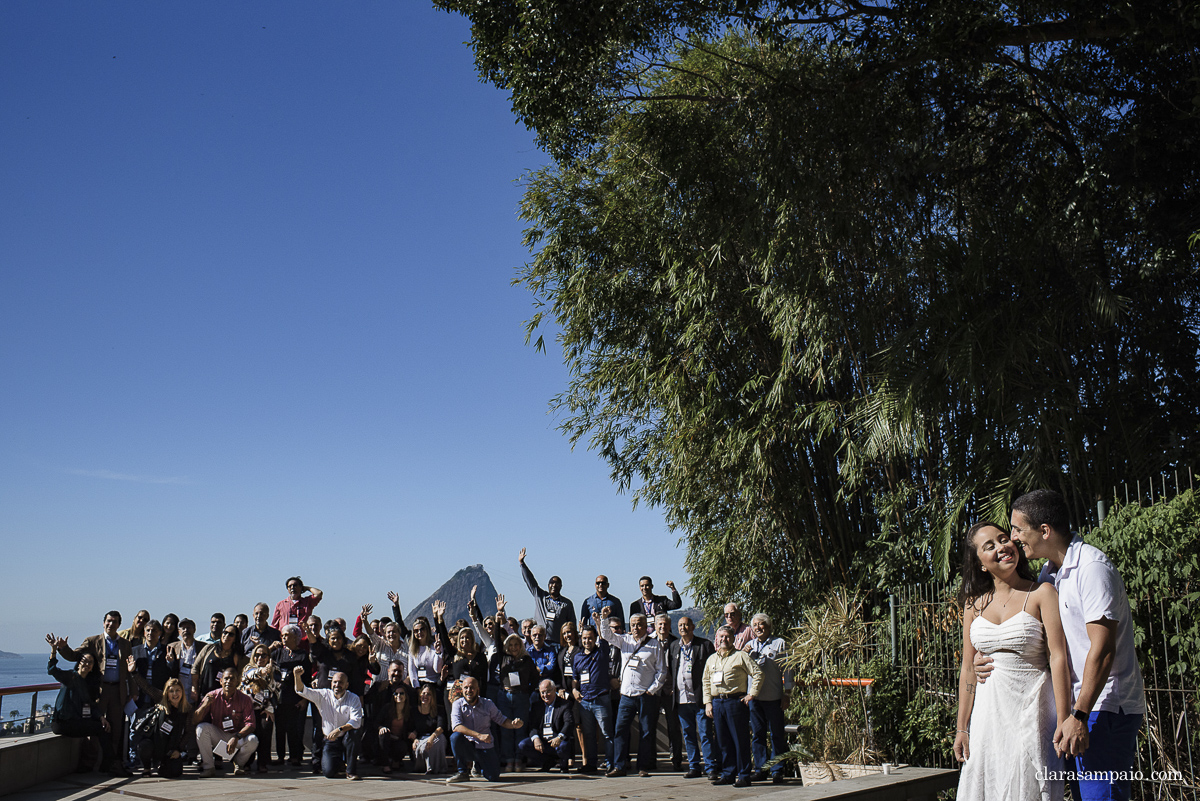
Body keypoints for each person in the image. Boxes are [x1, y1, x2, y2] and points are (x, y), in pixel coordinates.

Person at [1003, 489, 1146, 801]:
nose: (1013, 538)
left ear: (1044, 531)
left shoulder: (1092, 568)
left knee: (1101, 796)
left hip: (1103, 708)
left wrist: (1080, 715)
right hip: (1077, 709)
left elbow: (1103, 648)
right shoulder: (1050, 573)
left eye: (1018, 529)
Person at [956, 519, 1071, 800]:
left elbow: (1058, 657)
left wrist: (1064, 717)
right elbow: (968, 668)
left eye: (1004, 538)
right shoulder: (973, 605)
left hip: (1030, 713)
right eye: (990, 546)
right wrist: (962, 727)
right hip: (987, 718)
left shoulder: (1042, 593)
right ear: (981, 563)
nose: (1002, 546)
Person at [53, 611, 132, 774]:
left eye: (115, 622)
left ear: (119, 624)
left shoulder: (125, 644)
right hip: (99, 690)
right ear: (103, 623)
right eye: (109, 621)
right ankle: (88, 763)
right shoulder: (92, 641)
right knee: (95, 727)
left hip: (118, 691)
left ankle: (109, 764)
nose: (111, 624)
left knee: (115, 729)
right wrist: (62, 648)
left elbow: (129, 670)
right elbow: (75, 656)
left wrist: (134, 692)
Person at [597, 611, 665, 777]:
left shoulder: (655, 645)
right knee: (620, 730)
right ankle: (619, 766)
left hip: (645, 695)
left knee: (646, 732)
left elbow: (662, 671)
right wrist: (604, 619)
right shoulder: (624, 640)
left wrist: (652, 690)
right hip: (626, 696)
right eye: (633, 624)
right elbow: (606, 635)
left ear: (646, 626)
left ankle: (643, 766)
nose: (636, 627)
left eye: (639, 624)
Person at [45, 633, 114, 773]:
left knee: (103, 728)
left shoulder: (87, 684)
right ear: (79, 662)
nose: (87, 664)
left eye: (90, 663)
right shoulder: (70, 676)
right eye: (84, 661)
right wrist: (53, 650)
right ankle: (109, 764)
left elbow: (91, 705)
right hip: (62, 723)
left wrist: (101, 717)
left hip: (75, 722)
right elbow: (52, 670)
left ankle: (107, 764)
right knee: (99, 730)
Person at [703, 625, 762, 787]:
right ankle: (728, 773)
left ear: (733, 638)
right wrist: (708, 703)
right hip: (717, 702)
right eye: (721, 637)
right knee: (723, 741)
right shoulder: (712, 659)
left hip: (735, 702)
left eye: (727, 636)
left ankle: (744, 775)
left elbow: (757, 673)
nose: (724, 639)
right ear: (717, 639)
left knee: (740, 740)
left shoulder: (741, 656)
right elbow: (706, 682)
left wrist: (752, 694)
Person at [447, 676, 525, 783]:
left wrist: (513, 724)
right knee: (455, 737)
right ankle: (463, 772)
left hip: (485, 745)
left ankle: (479, 765)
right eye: (466, 688)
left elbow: (501, 719)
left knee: (493, 777)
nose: (469, 691)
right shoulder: (457, 704)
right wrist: (478, 735)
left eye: (472, 688)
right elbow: (456, 727)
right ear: (462, 690)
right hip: (468, 745)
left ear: (478, 689)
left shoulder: (488, 704)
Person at [293, 666, 364, 780]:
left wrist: (339, 730)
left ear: (347, 685)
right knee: (328, 772)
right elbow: (303, 691)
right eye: (335, 682)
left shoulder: (353, 698)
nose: (337, 685)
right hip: (330, 740)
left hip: (346, 737)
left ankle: (350, 771)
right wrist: (297, 676)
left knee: (353, 734)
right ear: (331, 684)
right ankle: (339, 763)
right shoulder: (323, 695)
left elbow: (356, 721)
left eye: (341, 683)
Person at [743, 613, 788, 783]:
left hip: (774, 697)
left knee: (777, 734)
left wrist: (787, 693)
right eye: (755, 625)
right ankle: (761, 769)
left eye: (761, 624)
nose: (758, 628)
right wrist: (743, 653)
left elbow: (788, 670)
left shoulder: (779, 643)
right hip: (755, 699)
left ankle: (777, 769)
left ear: (768, 626)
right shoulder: (749, 645)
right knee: (757, 735)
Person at [671, 616, 716, 779]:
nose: (683, 628)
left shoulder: (704, 645)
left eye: (686, 625)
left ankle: (711, 767)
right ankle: (694, 766)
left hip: (700, 699)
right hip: (682, 699)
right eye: (680, 625)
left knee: (705, 733)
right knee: (688, 734)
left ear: (693, 627)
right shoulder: (674, 646)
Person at [193, 667, 259, 777]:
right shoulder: (212, 695)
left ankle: (239, 764)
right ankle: (209, 767)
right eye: (226, 679)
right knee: (201, 728)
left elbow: (251, 724)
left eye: (232, 679)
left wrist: (236, 737)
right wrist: (204, 705)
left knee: (253, 740)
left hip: (237, 736)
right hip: (219, 736)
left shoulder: (245, 699)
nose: (228, 682)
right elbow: (195, 720)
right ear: (221, 681)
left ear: (237, 682)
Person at [489, 633, 538, 772]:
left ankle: (518, 759)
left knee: (520, 729)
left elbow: (534, 678)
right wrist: (498, 620)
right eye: (510, 645)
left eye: (516, 644)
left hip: (521, 697)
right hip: (504, 696)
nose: (513, 647)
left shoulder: (527, 660)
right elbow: (497, 641)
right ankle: (508, 760)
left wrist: (526, 691)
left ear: (521, 645)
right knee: (506, 730)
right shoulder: (503, 658)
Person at [129, 677, 190, 778]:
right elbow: (147, 687)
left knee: (175, 772)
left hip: (171, 749)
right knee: (144, 746)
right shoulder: (161, 699)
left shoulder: (187, 710)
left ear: (182, 692)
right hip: (155, 744)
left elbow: (188, 732)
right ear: (167, 693)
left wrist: (179, 750)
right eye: (171, 691)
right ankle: (147, 768)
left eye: (177, 690)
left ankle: (163, 765)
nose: (175, 694)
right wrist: (134, 672)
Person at [572, 625, 614, 773]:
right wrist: (574, 689)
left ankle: (610, 764)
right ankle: (591, 764)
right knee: (589, 734)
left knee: (607, 733)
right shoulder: (577, 657)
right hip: (584, 701)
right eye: (584, 638)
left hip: (600, 699)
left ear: (595, 638)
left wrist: (598, 621)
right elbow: (575, 678)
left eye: (590, 637)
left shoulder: (602, 652)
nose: (587, 640)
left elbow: (604, 637)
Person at [519, 548, 577, 645]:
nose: (554, 585)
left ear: (561, 586)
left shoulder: (567, 604)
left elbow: (572, 624)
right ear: (548, 585)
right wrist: (522, 564)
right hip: (540, 643)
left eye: (557, 583)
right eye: (551, 583)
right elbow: (530, 581)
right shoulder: (540, 597)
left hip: (558, 643)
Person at [273, 625, 312, 767]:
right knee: (280, 729)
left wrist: (304, 700)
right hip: (279, 697)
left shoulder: (302, 655)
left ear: (296, 637)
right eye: (282, 635)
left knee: (294, 729)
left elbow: (307, 679)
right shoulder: (277, 653)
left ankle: (295, 756)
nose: (283, 638)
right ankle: (280, 757)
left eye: (287, 635)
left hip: (295, 698)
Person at [240, 644, 280, 773]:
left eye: (264, 655)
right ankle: (247, 762)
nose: (260, 658)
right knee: (250, 734)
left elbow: (277, 690)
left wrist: (269, 708)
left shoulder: (275, 670)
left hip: (265, 708)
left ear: (268, 656)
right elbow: (248, 678)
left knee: (265, 728)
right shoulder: (248, 668)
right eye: (257, 655)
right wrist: (261, 672)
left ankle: (263, 763)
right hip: (248, 709)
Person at [519, 680, 575, 771]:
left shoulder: (565, 704)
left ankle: (563, 763)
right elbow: (532, 725)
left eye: (548, 691)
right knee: (523, 745)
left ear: (554, 690)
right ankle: (547, 761)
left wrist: (559, 737)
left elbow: (569, 723)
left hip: (557, 741)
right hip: (543, 740)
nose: (545, 695)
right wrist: (536, 738)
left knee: (564, 746)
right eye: (542, 692)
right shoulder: (536, 706)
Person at [652, 613, 683, 770]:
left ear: (670, 626)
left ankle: (676, 759)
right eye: (660, 624)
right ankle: (650, 759)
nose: (662, 627)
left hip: (670, 691)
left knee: (673, 727)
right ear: (655, 626)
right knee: (649, 725)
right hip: (653, 691)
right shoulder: (649, 642)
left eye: (665, 624)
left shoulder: (676, 643)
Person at [372, 681, 413, 773]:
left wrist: (413, 732)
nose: (399, 695)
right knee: (384, 734)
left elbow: (411, 728)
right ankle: (385, 764)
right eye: (396, 693)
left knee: (402, 746)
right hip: (386, 739)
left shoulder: (409, 711)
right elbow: (376, 723)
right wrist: (381, 728)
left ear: (406, 696)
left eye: (401, 693)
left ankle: (396, 760)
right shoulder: (387, 708)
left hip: (398, 740)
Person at [412, 684, 449, 774]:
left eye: (428, 694)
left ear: (433, 697)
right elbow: (411, 729)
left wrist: (432, 738)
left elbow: (440, 727)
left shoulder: (439, 709)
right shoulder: (414, 710)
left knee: (439, 740)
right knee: (424, 747)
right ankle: (424, 766)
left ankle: (433, 768)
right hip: (420, 739)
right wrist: (414, 739)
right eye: (423, 693)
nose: (425, 696)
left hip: (436, 736)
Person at [166, 618, 200, 704]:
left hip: (195, 692)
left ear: (194, 629)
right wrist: (170, 662)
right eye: (183, 628)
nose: (186, 630)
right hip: (177, 694)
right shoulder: (171, 647)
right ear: (179, 631)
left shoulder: (203, 647)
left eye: (188, 628)